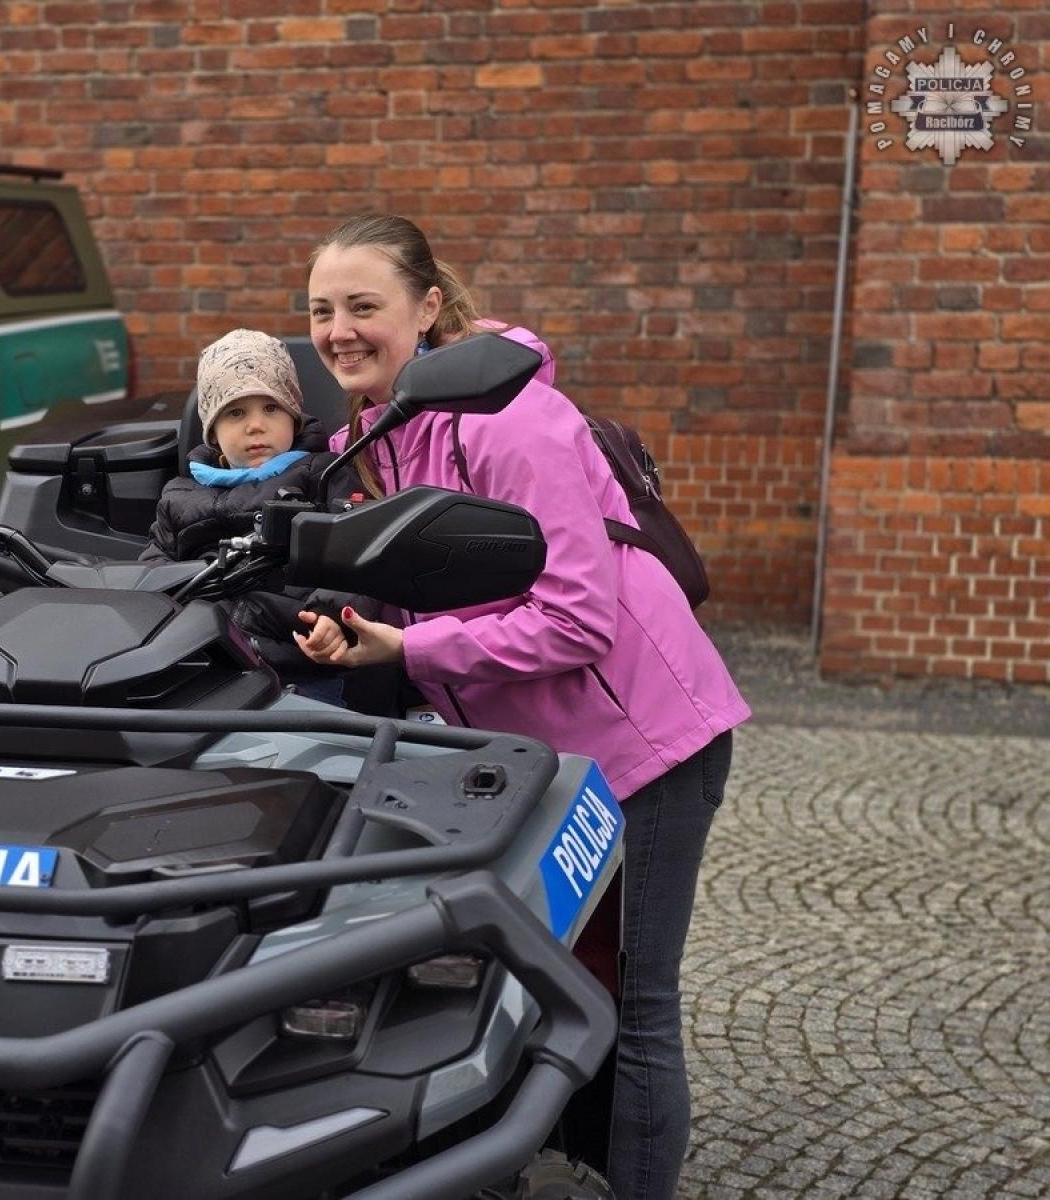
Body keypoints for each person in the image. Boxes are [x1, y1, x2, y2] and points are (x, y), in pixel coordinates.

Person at [294, 214, 751, 1200]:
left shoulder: (512, 422)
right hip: (528, 759)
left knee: (631, 1007)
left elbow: (576, 621)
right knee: (549, 990)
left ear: (428, 307)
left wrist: (411, 647)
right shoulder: (367, 440)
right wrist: (350, 628)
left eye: (364, 305)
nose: (338, 330)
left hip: (642, 746)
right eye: (321, 310)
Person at [140, 327, 362, 698]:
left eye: (271, 408)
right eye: (235, 412)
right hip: (204, 660)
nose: (256, 425)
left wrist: (332, 615)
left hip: (300, 659)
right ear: (213, 432)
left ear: (294, 417)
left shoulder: (325, 476)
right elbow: (152, 573)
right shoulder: (180, 495)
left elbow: (353, 557)